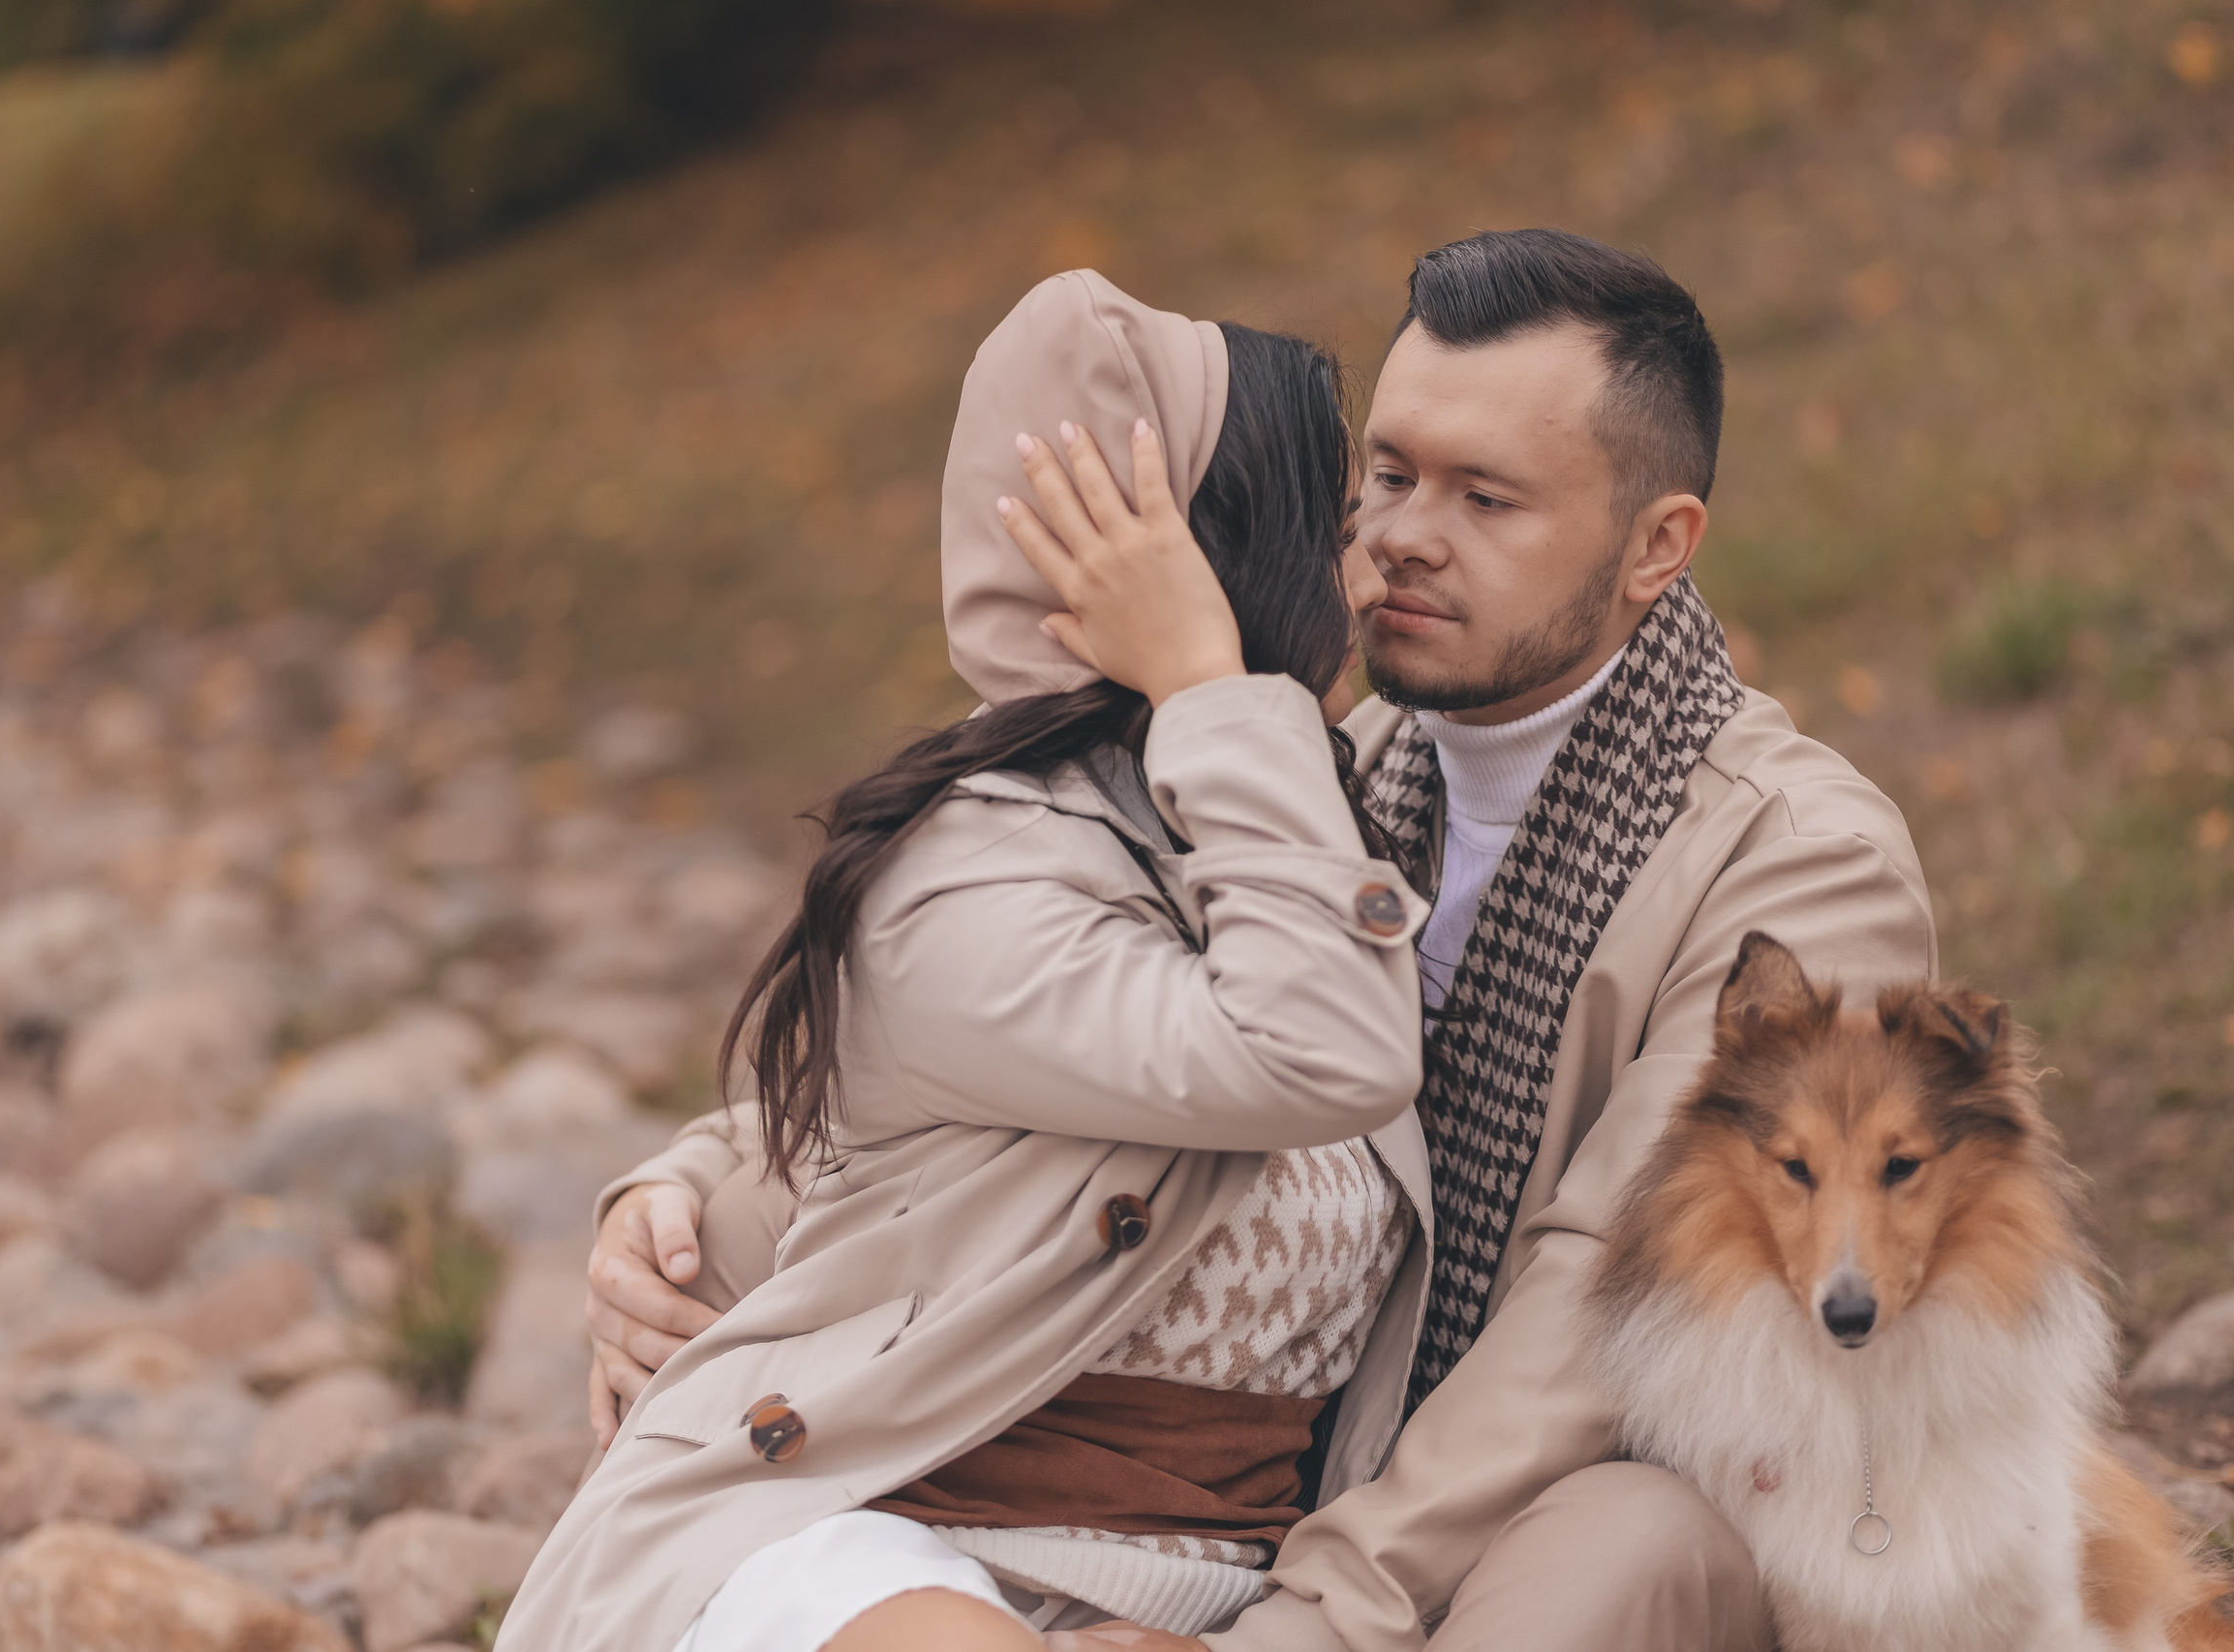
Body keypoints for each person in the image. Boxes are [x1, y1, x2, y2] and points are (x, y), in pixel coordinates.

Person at [584, 229, 1940, 1651]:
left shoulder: (1802, 863)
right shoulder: (1324, 774)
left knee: (1638, 1529)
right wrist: (679, 1188)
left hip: (1495, 1521)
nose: (1407, 534)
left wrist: (1313, 1613)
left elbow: (1619, 1296)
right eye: (1392, 477)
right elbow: (1049, 1034)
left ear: (1656, 543)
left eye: (1488, 498)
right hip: (1264, 1512)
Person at [497, 268, 1442, 1652]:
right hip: (876, 1548)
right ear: (1201, 566)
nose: (1361, 577)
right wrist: (1209, 681)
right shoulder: (974, 869)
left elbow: (937, 1148)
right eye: (1330, 531)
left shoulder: (1273, 815)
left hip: (1200, 1594)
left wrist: (689, 1172)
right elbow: (1327, 1049)